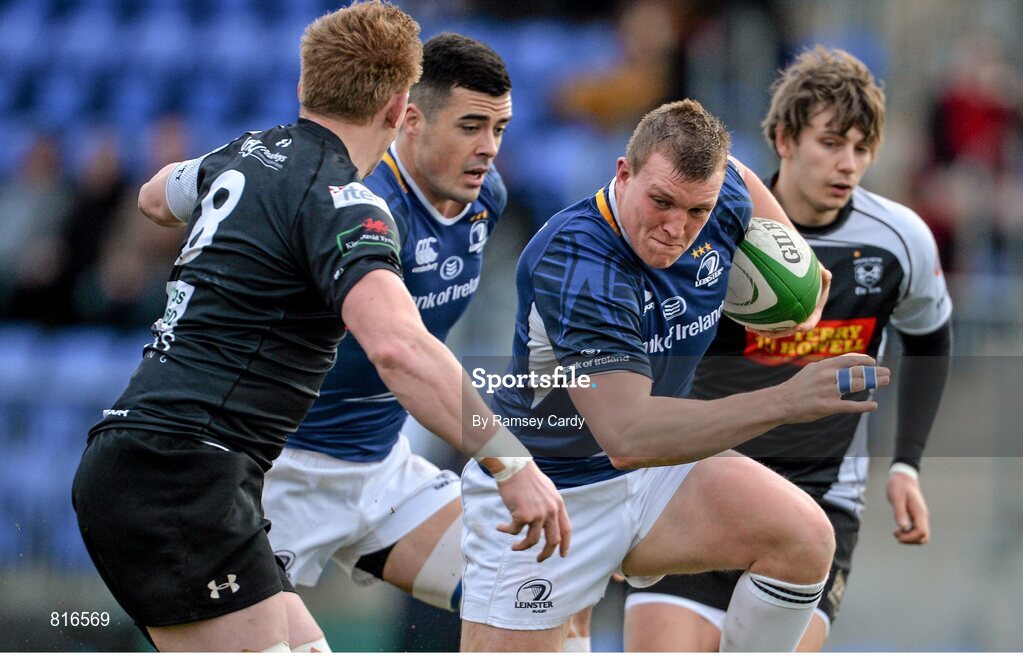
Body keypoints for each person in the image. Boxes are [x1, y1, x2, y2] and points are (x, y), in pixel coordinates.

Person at [71, 4, 569, 652]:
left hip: (170, 462)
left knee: (529, 594)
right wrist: (509, 463)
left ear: (305, 87)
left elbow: (153, 195)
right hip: (185, 477)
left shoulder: (246, 153)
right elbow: (398, 347)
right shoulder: (347, 204)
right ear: (398, 109)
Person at [459, 97, 891, 652]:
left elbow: (734, 173)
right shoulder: (579, 262)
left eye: (697, 211)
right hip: (551, 494)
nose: (675, 228)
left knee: (804, 539)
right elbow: (627, 437)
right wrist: (786, 400)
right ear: (624, 172)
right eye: (661, 201)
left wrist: (800, 275)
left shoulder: (721, 191)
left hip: (659, 478)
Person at [256, 31, 596, 652]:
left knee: (549, 590)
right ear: (409, 119)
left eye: (500, 128)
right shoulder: (360, 205)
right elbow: (401, 354)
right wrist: (512, 462)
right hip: (280, 475)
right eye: (471, 126)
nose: (488, 149)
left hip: (380, 471)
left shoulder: (484, 200)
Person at [622, 47, 953, 652]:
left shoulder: (900, 239)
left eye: (861, 147)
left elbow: (930, 338)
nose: (847, 163)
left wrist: (907, 463)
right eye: (830, 142)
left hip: (817, 499)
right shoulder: (706, 225)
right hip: (699, 484)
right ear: (783, 138)